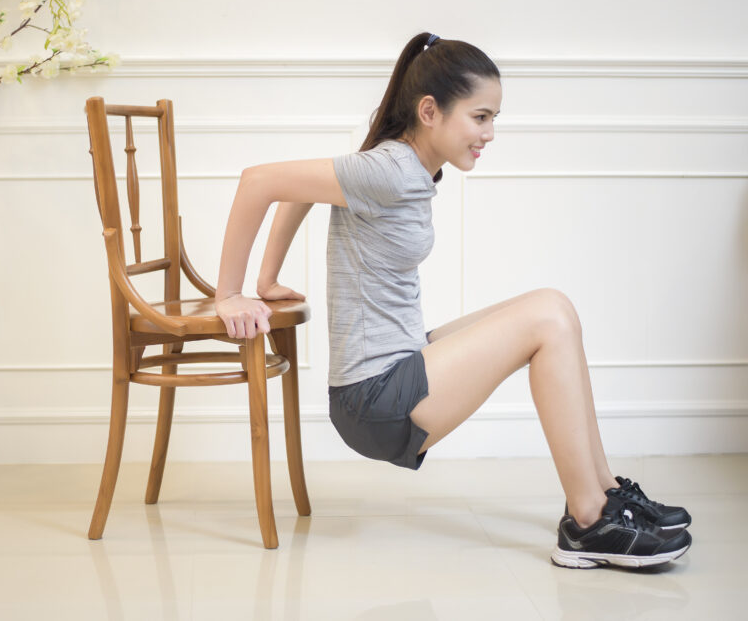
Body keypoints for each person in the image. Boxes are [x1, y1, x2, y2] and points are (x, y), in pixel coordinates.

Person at [212, 32, 692, 569]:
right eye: (481, 117)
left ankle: (604, 496)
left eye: (494, 119)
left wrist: (270, 277)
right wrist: (230, 293)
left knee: (555, 307)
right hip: (375, 400)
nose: (489, 133)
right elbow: (259, 181)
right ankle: (587, 522)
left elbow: (299, 187)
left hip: (395, 373)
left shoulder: (398, 167)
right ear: (430, 111)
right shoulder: (390, 170)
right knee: (547, 319)